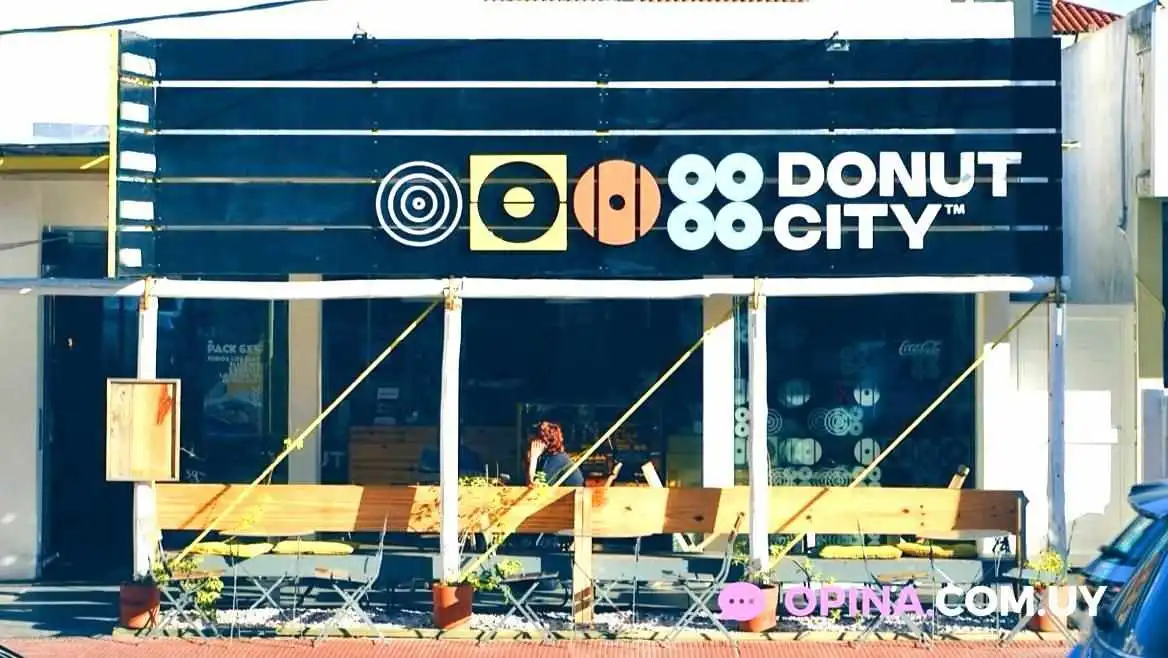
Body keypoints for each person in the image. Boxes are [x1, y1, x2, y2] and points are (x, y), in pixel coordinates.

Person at [526, 421, 584, 487]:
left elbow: (534, 485)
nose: (529, 441)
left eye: (533, 439)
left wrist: (533, 458)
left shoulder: (558, 459)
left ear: (544, 441)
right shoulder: (545, 457)